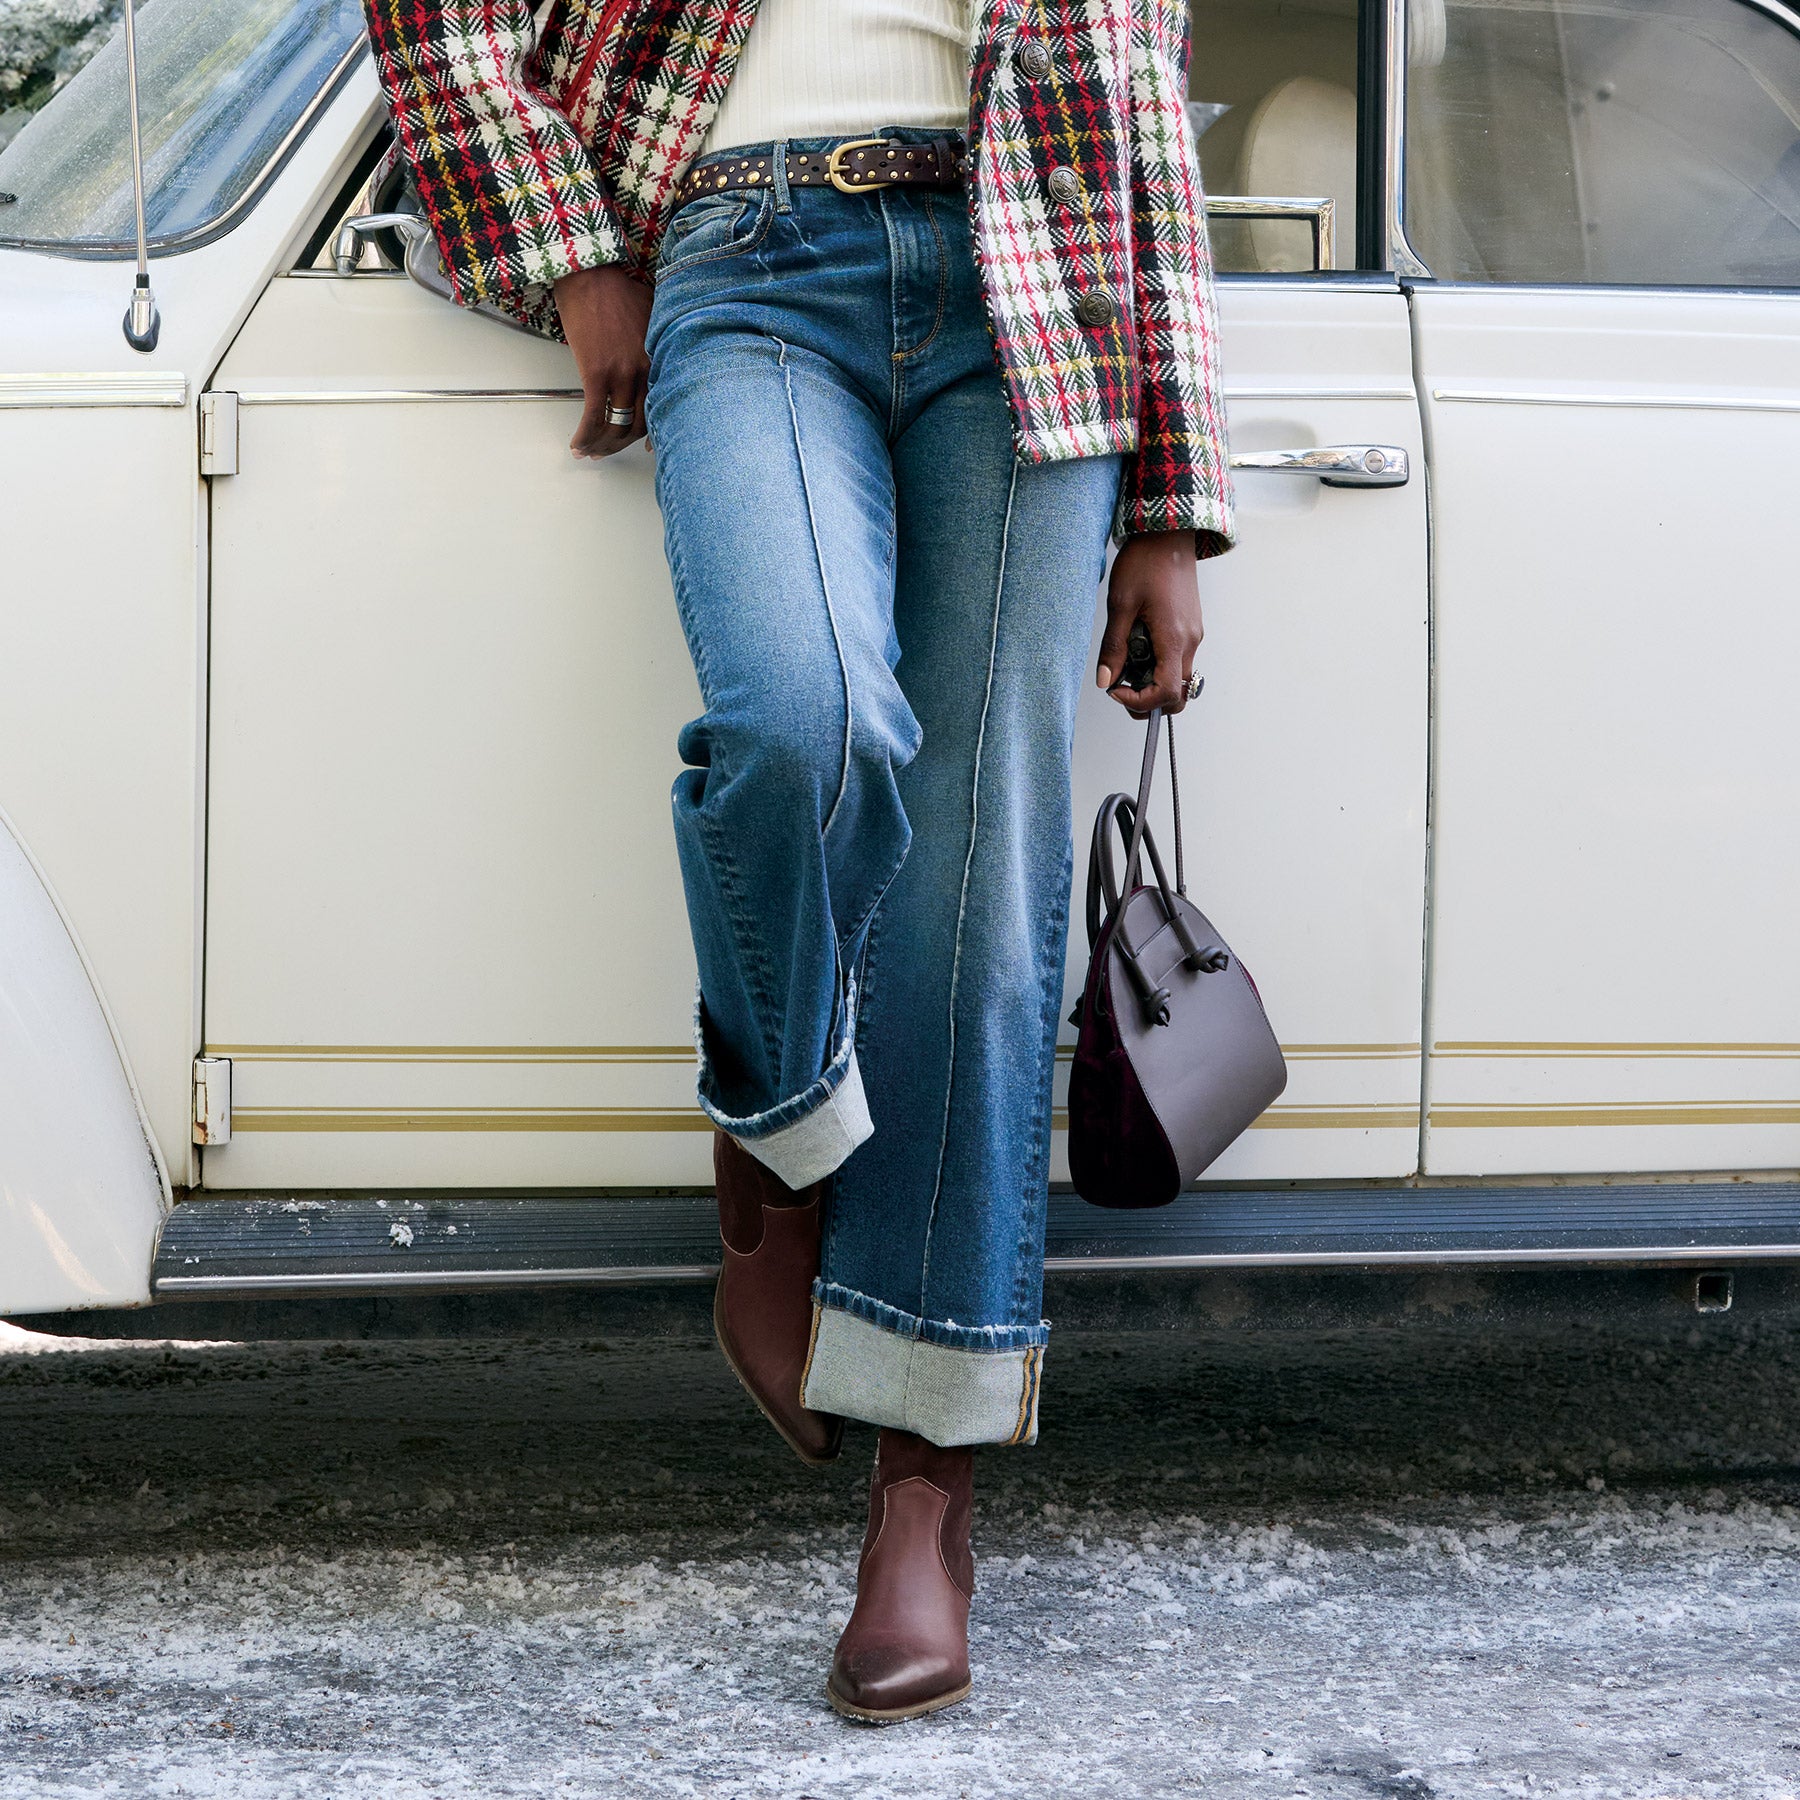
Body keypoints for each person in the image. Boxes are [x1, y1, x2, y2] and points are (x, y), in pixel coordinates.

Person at [363, 0, 1235, 1722]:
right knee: (802, 723)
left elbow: (1141, 111)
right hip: (747, 252)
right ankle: (780, 1137)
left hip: (1037, 292)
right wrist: (572, 247)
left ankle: (925, 1500)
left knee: (979, 904)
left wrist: (1169, 505)